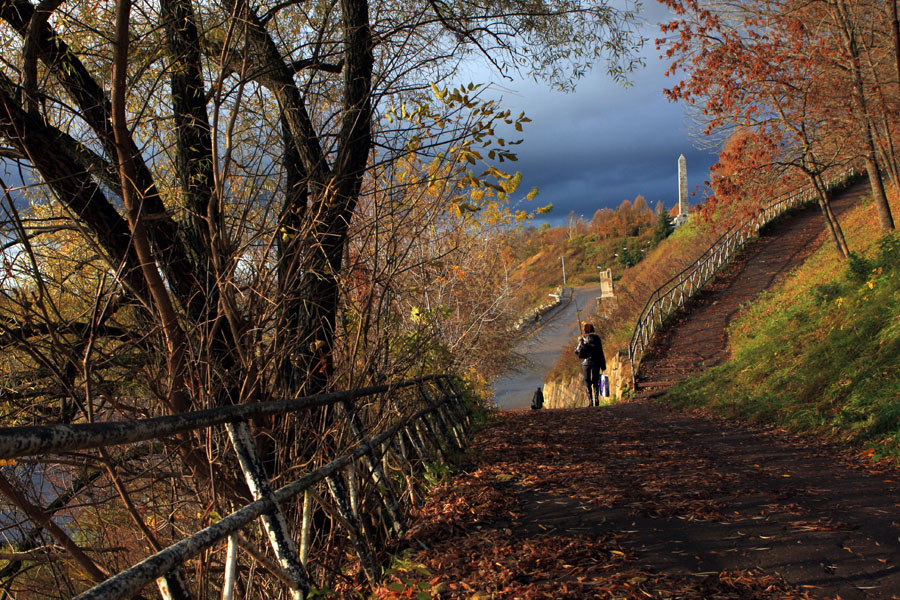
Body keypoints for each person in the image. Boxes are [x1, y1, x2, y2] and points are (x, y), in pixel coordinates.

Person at [574, 322, 606, 407]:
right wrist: (603, 365)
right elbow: (600, 351)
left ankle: (590, 401)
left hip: (585, 363)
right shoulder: (597, 338)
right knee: (596, 381)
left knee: (587, 382)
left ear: (584, 330)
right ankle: (597, 399)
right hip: (596, 362)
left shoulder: (582, 338)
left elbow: (577, 351)